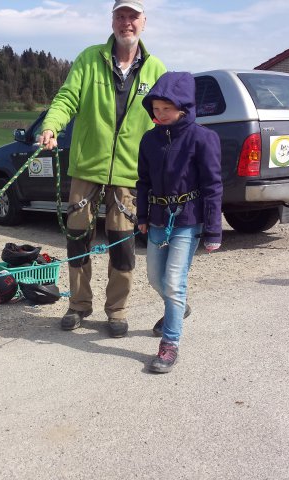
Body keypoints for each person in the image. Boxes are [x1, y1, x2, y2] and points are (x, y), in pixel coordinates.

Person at [38, 0, 166, 338]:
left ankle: (117, 310)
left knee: (122, 244)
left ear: (143, 22)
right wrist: (51, 126)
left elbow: (165, 119)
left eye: (133, 17)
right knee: (77, 238)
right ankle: (79, 305)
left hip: (129, 173)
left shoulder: (156, 70)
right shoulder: (89, 59)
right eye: (121, 16)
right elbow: (66, 98)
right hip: (87, 168)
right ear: (112, 21)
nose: (127, 23)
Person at [136, 71, 223, 373]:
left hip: (188, 221)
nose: (159, 115)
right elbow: (143, 181)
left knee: (174, 283)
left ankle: (170, 344)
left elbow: (213, 186)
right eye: (155, 109)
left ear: (184, 107)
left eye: (166, 110)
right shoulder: (149, 140)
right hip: (158, 220)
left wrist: (213, 229)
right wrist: (143, 217)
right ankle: (179, 307)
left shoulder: (204, 139)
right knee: (154, 279)